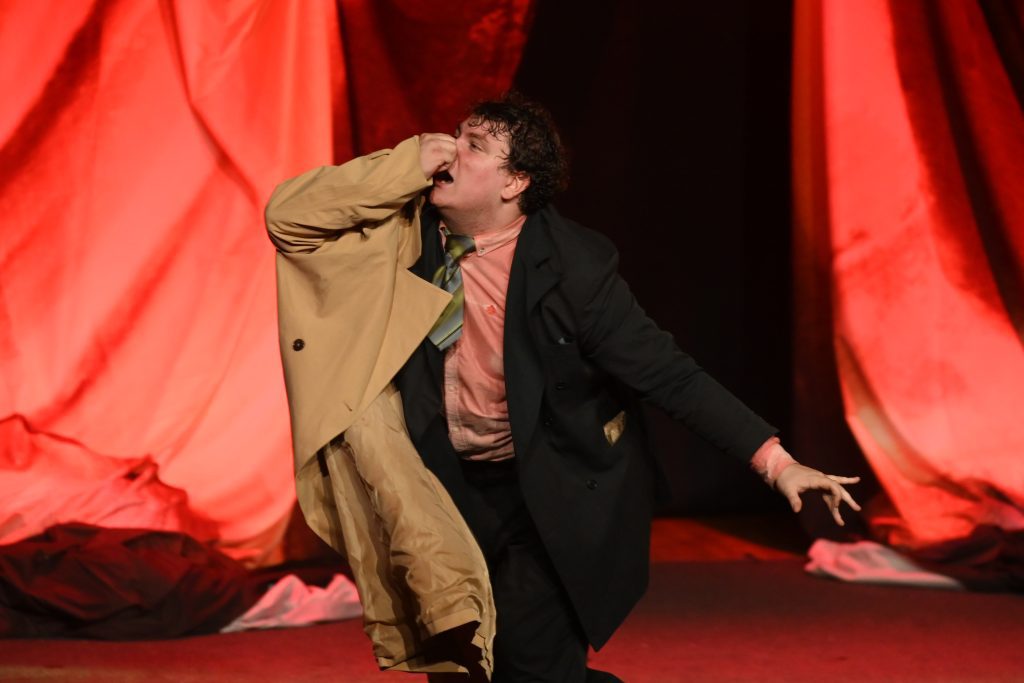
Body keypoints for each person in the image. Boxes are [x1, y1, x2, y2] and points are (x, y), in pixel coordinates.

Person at [266, 92, 860, 683]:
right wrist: (402, 164)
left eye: (475, 146)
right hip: (441, 486)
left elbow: (668, 372)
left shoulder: (574, 268)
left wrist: (776, 463)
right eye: (454, 134)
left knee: (533, 664)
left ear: (514, 183)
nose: (447, 149)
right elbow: (288, 220)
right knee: (463, 664)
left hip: (548, 487)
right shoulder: (399, 234)